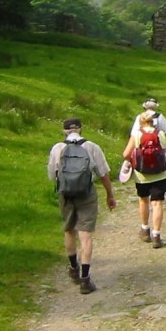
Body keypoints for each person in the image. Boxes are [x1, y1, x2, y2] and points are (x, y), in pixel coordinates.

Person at [47, 118, 117, 294]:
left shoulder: (57, 148)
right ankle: (85, 280)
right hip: (86, 193)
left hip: (66, 194)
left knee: (69, 230)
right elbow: (103, 173)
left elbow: (51, 175)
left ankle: (73, 269)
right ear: (81, 129)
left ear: (64, 131)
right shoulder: (92, 146)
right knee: (85, 236)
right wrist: (110, 195)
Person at [123, 109, 166, 248]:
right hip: (160, 175)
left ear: (141, 122)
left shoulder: (137, 135)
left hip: (142, 175)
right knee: (157, 203)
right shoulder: (161, 134)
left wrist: (134, 160)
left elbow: (126, 154)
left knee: (143, 200)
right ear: (154, 122)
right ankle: (156, 235)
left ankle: (145, 229)